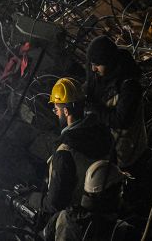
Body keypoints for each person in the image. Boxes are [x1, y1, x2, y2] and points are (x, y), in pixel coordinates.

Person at [44, 78, 114, 216]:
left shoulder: (65, 152)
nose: (56, 113)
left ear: (65, 112)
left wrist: (37, 200)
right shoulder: (105, 132)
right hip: (107, 207)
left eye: (56, 109)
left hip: (79, 219)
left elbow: (55, 204)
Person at [84, 36, 147, 169]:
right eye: (91, 64)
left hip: (127, 152)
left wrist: (94, 110)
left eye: (97, 64)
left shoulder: (129, 84)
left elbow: (122, 120)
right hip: (109, 146)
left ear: (109, 61)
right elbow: (90, 87)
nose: (93, 69)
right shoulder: (101, 74)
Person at [42, 160, 140, 241]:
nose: (122, 196)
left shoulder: (61, 217)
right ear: (110, 194)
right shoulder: (121, 231)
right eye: (120, 191)